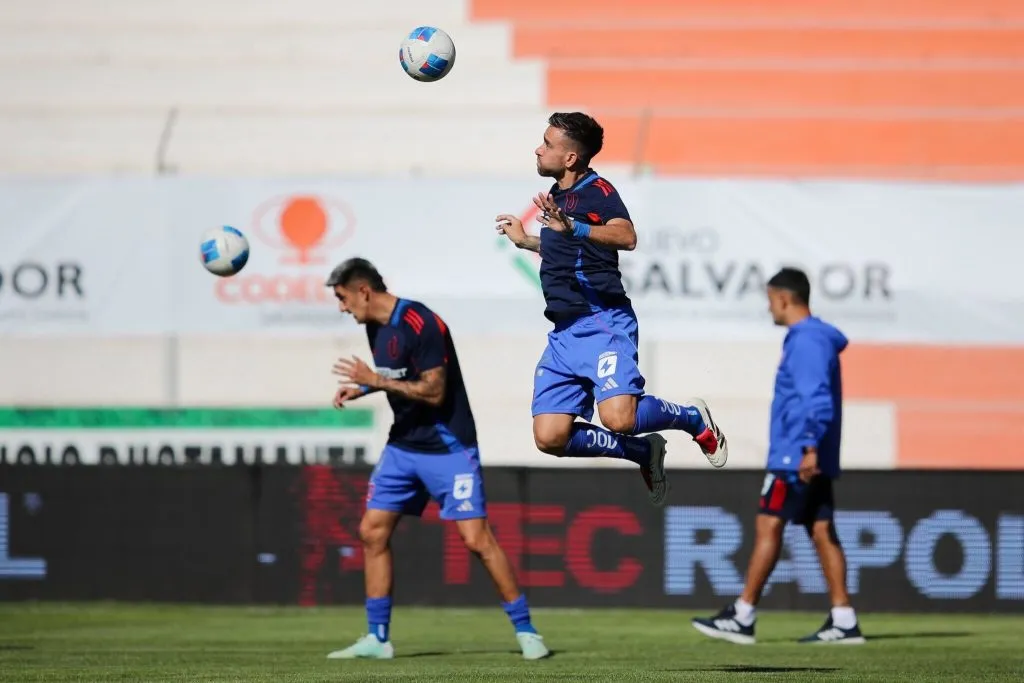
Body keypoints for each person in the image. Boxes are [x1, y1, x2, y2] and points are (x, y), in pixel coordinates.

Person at [494, 111, 728, 506]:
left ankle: (692, 418)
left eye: (548, 144)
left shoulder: (596, 190)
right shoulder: (559, 199)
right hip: (564, 333)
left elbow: (627, 235)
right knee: (549, 437)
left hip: (601, 321)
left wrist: (575, 228)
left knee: (619, 418)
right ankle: (641, 452)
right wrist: (528, 242)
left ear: (570, 158)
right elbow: (568, 245)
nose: (539, 149)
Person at [323, 257, 550, 661]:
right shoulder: (375, 325)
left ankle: (527, 631)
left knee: (476, 540)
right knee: (372, 532)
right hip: (403, 446)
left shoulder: (422, 322)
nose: (341, 308)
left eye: (342, 298)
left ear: (363, 291)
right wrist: (366, 389)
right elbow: (398, 377)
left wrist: (375, 380)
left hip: (448, 447)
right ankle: (377, 638)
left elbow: (433, 392)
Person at [691, 267, 865, 645]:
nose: (770, 308)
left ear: (784, 298)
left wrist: (808, 446)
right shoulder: (813, 339)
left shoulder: (806, 340)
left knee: (769, 524)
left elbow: (813, 397)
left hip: (796, 454)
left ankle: (743, 613)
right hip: (808, 451)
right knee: (821, 530)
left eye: (770, 300)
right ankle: (844, 618)